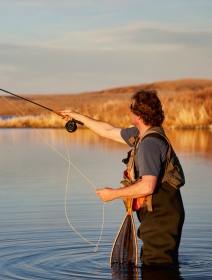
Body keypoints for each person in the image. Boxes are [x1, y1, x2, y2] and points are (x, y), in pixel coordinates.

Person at [60, 90, 185, 268]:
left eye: (131, 108)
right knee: (159, 265)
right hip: (160, 215)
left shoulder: (149, 144)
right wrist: (77, 116)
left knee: (157, 267)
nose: (129, 111)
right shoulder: (142, 135)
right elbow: (108, 131)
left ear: (139, 114)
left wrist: (113, 194)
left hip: (161, 217)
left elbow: (148, 186)